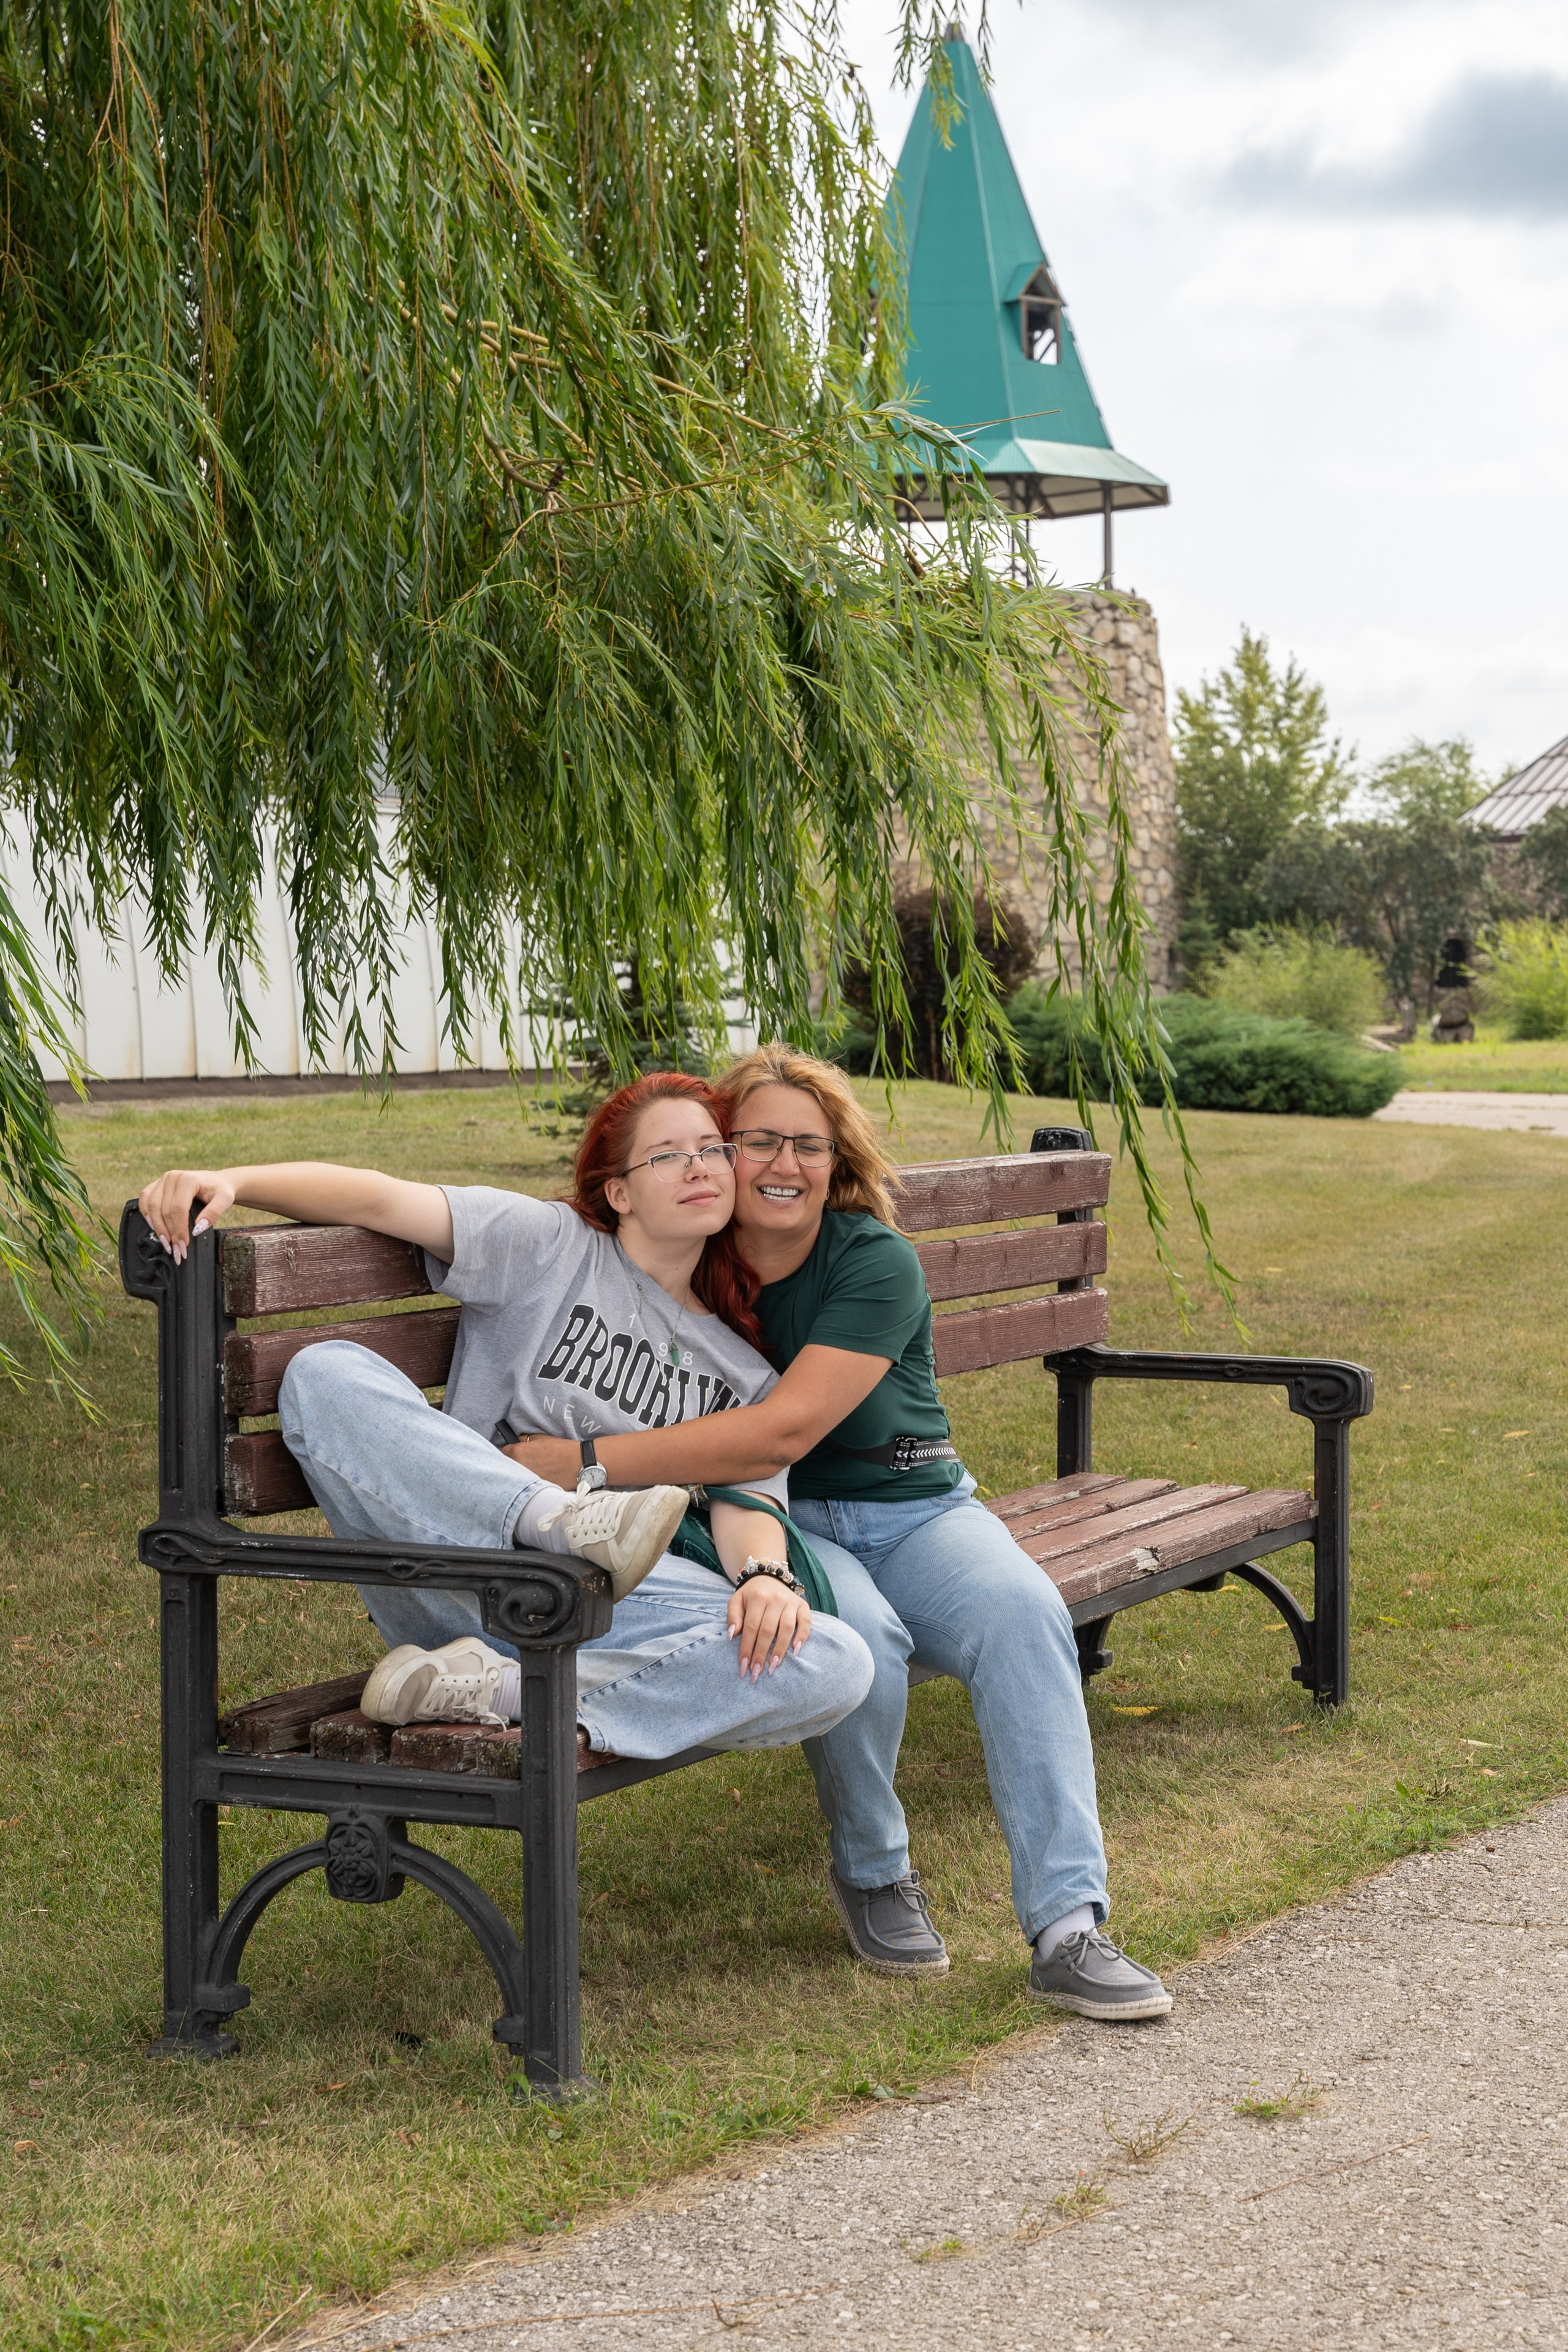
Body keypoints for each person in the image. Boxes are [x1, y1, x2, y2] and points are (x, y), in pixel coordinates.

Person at [503, 1044, 1172, 2022]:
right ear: (719, 1153)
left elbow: (783, 1428)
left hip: (917, 1512)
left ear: (838, 1161)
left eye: (807, 1146)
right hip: (772, 1523)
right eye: (757, 1140)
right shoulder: (698, 1254)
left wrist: (587, 1459)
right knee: (865, 1646)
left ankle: (1069, 1927)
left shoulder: (872, 1260)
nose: (782, 1163)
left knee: (1025, 1614)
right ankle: (874, 1869)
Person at [135, 1073, 874, 1769]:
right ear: (618, 1192)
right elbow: (383, 1201)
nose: (699, 1168)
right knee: (324, 1372)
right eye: (668, 1155)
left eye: (711, 1149)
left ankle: (504, 1689)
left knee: (834, 1660)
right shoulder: (547, 1246)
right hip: (462, 1567)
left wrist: (766, 1579)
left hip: (606, 1607)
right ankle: (553, 1519)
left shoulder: (742, 1372)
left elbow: (747, 1499)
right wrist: (236, 1181)